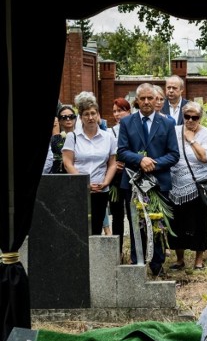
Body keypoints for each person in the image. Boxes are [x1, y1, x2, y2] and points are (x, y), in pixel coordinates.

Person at [118, 82, 180, 277]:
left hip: (158, 182)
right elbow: (121, 151)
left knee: (157, 224)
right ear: (137, 101)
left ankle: (157, 264)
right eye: (142, 98)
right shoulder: (127, 122)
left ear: (156, 100)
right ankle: (138, 263)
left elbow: (173, 154)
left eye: (150, 98)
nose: (146, 102)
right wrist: (140, 160)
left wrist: (153, 163)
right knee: (136, 222)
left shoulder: (167, 123)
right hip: (133, 182)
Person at [168, 102, 207, 270]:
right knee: (176, 223)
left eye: (194, 117)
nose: (190, 120)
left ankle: (199, 259)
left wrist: (191, 139)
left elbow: (204, 158)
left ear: (200, 118)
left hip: (198, 186)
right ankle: (180, 259)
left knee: (198, 223)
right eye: (187, 116)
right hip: (175, 186)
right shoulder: (173, 131)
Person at [62, 96, 117, 236]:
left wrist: (106, 182)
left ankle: (95, 257)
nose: (90, 117)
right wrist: (84, 183)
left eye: (93, 113)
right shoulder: (72, 137)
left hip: (100, 190)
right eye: (86, 114)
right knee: (78, 228)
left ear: (98, 115)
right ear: (80, 117)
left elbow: (112, 163)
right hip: (79, 190)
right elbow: (68, 163)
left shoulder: (108, 137)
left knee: (96, 227)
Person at [107, 97, 131, 260]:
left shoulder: (135, 128)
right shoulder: (110, 132)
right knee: (117, 215)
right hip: (116, 178)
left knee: (132, 213)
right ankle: (118, 251)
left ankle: (137, 251)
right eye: (115, 111)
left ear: (128, 111)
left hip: (132, 175)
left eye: (121, 110)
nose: (117, 114)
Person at [45, 105, 77, 174]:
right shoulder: (56, 139)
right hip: (59, 175)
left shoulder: (81, 137)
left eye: (71, 116)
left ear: (75, 118)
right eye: (64, 117)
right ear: (59, 121)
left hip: (78, 172)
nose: (68, 119)